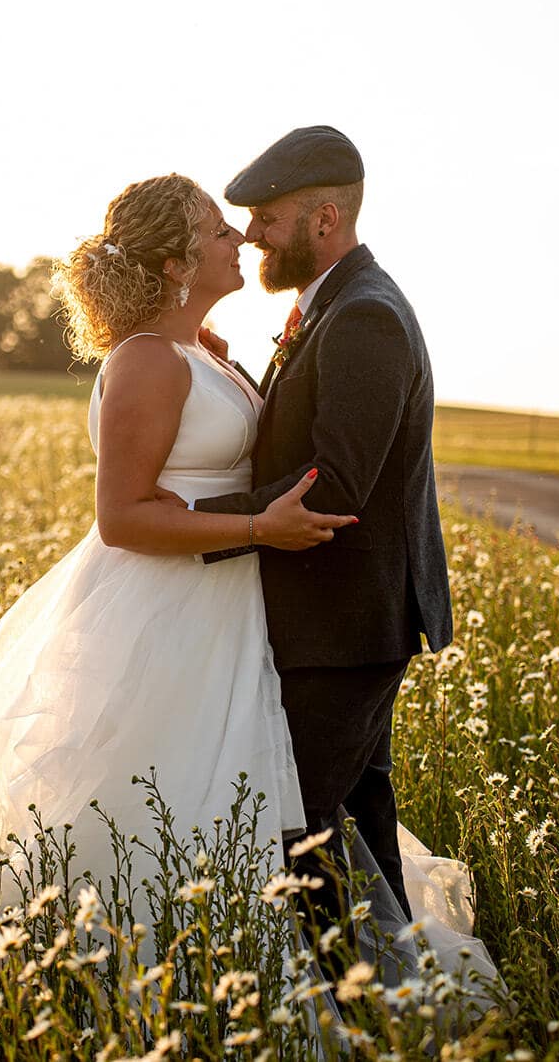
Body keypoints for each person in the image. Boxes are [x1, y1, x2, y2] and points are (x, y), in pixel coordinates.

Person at [0, 166, 498, 1009]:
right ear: (181, 261)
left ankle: (316, 983)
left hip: (229, 611)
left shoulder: (189, 353)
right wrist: (260, 528)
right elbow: (123, 516)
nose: (240, 239)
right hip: (170, 613)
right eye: (220, 230)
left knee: (252, 804)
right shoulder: (148, 361)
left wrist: (222, 373)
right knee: (184, 802)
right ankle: (201, 991)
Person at [194, 126, 452, 934]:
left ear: (326, 218)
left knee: (299, 837)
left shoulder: (366, 317)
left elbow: (334, 486)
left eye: (268, 218)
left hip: (346, 631)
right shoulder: (333, 305)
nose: (254, 235)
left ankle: (342, 1017)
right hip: (339, 625)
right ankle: (397, 1011)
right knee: (358, 830)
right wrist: (232, 372)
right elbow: (310, 430)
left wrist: (188, 524)